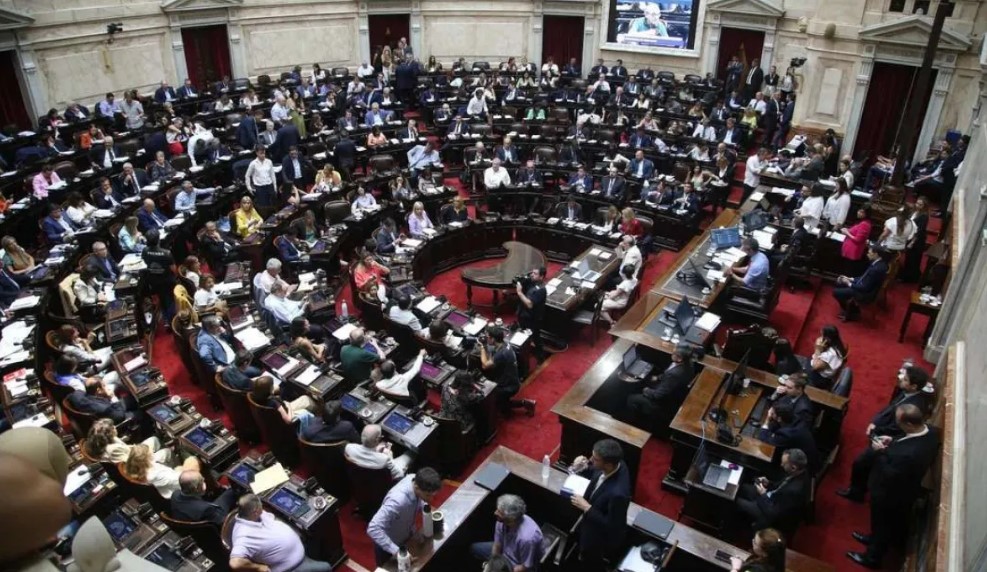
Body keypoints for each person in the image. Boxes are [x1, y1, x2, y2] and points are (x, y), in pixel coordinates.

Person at [844, 404, 939, 569]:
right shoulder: (930, 432)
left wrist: (880, 452)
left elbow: (891, 474)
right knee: (878, 524)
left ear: (909, 424)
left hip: (890, 494)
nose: (896, 424)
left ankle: (872, 558)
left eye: (898, 422)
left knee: (883, 525)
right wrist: (892, 440)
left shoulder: (911, 454)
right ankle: (873, 538)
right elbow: (904, 443)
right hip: (896, 489)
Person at [837, 366, 931, 502]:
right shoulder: (906, 392)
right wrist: (875, 421)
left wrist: (877, 429)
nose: (900, 379)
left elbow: (898, 428)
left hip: (886, 440)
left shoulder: (914, 406)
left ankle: (856, 493)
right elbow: (890, 408)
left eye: (905, 379)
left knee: (860, 464)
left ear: (914, 386)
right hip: (881, 430)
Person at [568, 439, 631, 570]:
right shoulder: (617, 463)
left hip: (598, 537)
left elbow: (612, 526)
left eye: (595, 459)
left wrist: (587, 507)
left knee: (589, 561)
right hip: (589, 520)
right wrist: (582, 466)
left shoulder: (618, 494)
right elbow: (596, 472)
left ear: (608, 465)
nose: (591, 460)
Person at [230, 493, 332, 572]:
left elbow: (272, 519)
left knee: (317, 536)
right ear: (255, 512)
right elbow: (235, 563)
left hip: (297, 547)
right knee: (326, 567)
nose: (262, 507)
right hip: (291, 567)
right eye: (261, 506)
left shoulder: (251, 515)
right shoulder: (243, 536)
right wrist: (259, 568)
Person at [367, 468, 444, 567]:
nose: (431, 499)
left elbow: (419, 499)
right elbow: (373, 528)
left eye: (433, 495)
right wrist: (397, 551)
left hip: (407, 536)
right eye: (428, 495)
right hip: (389, 547)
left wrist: (425, 507)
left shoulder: (414, 478)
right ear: (416, 487)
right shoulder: (397, 502)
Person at [625, 343, 696, 430]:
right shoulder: (689, 363)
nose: (671, 354)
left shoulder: (674, 374)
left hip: (662, 402)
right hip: (672, 388)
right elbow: (668, 373)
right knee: (648, 379)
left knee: (631, 398)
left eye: (673, 353)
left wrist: (646, 390)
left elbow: (658, 395)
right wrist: (658, 377)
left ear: (680, 358)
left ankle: (634, 422)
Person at [470, 494, 544, 570]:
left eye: (500, 512)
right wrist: (493, 563)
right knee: (474, 548)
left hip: (517, 564)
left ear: (511, 518)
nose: (495, 513)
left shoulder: (527, 539)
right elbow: (497, 545)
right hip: (505, 552)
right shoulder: (501, 521)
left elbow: (525, 566)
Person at [480, 327, 535, 416]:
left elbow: (485, 366)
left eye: (488, 337)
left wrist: (482, 347)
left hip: (508, 387)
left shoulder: (501, 354)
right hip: (512, 380)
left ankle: (526, 403)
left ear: (493, 339)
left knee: (493, 399)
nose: (486, 339)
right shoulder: (505, 344)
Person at [124, 443, 201, 499]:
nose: (152, 451)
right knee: (190, 455)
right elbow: (187, 480)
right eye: (150, 452)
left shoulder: (143, 467)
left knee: (168, 452)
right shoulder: (157, 475)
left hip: (173, 482)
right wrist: (189, 462)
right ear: (146, 459)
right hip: (186, 490)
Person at [758, 405, 821, 473]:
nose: (770, 415)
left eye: (772, 414)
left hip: (803, 467)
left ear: (779, 419)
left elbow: (765, 440)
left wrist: (767, 420)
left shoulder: (788, 434)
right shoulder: (798, 419)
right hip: (811, 456)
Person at [833, 245, 889, 321]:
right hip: (865, 287)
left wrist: (848, 283)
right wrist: (850, 279)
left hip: (865, 294)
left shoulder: (876, 269)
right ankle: (850, 307)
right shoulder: (880, 263)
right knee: (839, 282)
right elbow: (864, 277)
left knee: (835, 292)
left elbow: (864, 288)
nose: (867, 254)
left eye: (869, 252)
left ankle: (853, 312)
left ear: (876, 254)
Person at [84, 417, 172, 464]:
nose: (114, 427)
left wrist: (124, 441)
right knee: (167, 452)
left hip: (134, 452)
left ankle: (165, 463)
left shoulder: (109, 439)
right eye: (112, 428)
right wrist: (146, 453)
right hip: (140, 462)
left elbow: (125, 449)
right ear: (107, 434)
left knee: (154, 439)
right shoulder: (113, 449)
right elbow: (132, 462)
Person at [250, 375, 316, 434]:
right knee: (307, 403)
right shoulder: (274, 402)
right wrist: (289, 406)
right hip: (286, 417)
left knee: (304, 398)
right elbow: (288, 420)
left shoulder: (254, 395)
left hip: (274, 416)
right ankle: (316, 422)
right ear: (269, 389)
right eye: (272, 386)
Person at [346, 424, 415, 480]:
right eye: (381, 436)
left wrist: (376, 450)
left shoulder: (349, 447)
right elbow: (398, 475)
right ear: (377, 439)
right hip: (384, 481)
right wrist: (390, 456)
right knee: (411, 453)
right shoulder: (384, 459)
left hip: (361, 477)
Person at [170, 470, 238, 527]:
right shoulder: (205, 509)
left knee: (230, 492)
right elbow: (224, 522)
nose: (204, 481)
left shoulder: (175, 494)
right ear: (196, 489)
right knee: (233, 491)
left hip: (190, 522)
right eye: (202, 481)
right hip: (217, 518)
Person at [516, 267, 547, 359]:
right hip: (523, 314)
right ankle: (523, 351)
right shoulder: (531, 281)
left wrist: (519, 293)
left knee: (535, 337)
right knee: (522, 333)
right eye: (532, 272)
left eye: (535, 274)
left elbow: (530, 304)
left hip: (532, 319)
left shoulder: (541, 290)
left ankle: (541, 356)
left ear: (541, 277)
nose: (532, 275)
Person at [901, 196, 930, 282]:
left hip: (917, 241)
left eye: (920, 204)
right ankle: (905, 274)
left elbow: (919, 231)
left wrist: (912, 242)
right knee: (908, 258)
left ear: (924, 206)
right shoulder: (914, 211)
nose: (917, 205)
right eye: (917, 203)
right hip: (910, 236)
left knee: (913, 259)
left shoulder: (924, 216)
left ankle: (910, 278)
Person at [839, 205, 873, 273]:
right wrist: (848, 230)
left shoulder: (865, 224)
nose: (859, 213)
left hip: (853, 252)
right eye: (859, 211)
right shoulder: (861, 222)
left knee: (847, 271)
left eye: (862, 212)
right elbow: (855, 232)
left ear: (867, 214)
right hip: (849, 251)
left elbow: (858, 239)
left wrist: (846, 232)